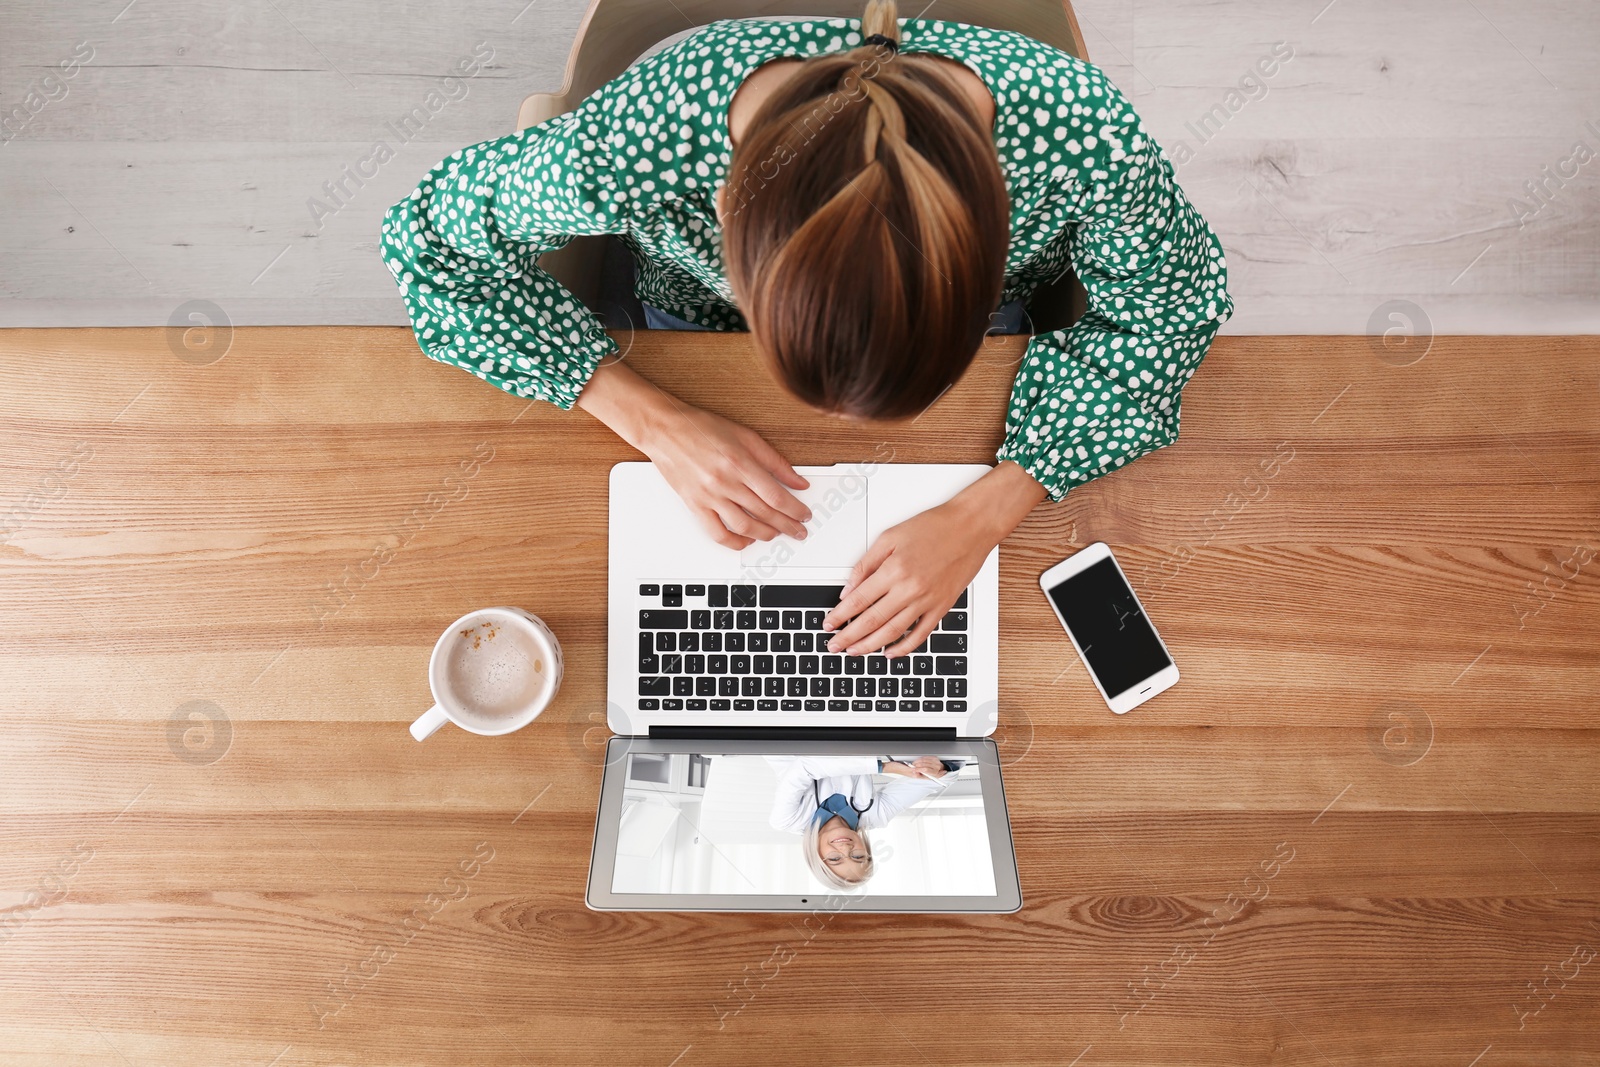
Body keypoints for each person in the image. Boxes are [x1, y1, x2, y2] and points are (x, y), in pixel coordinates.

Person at [380, 1, 1232, 658]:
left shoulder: (1085, 139)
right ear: (721, 215)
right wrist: (652, 419)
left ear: (999, 225)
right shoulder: (641, 140)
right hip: (692, 325)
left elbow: (1174, 305)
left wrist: (990, 509)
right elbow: (426, 242)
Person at [764, 754, 951, 889]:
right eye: (858, 856)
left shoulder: (787, 820)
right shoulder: (875, 816)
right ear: (867, 850)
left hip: (789, 729)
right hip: (845, 729)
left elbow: (804, 767)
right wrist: (937, 769)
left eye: (835, 859)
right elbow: (934, 781)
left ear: (815, 855)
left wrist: (883, 767)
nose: (846, 849)